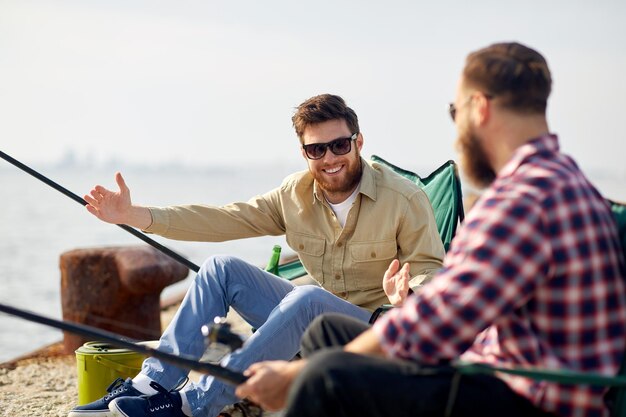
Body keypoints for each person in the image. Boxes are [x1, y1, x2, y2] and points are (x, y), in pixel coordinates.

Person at [236, 43, 626, 417]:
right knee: (327, 333)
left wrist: (297, 373)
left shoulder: (523, 198)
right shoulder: (564, 181)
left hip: (524, 397)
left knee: (325, 376)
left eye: (455, 111)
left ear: (480, 108)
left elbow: (439, 321)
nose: (457, 133)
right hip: (514, 374)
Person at [68, 93, 446, 417]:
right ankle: (152, 385)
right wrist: (136, 216)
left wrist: (408, 294)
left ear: (358, 142)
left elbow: (432, 268)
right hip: (309, 333)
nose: (330, 157)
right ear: (304, 153)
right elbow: (223, 219)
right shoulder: (292, 195)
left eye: (339, 145)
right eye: (316, 149)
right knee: (221, 269)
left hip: (375, 336)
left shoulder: (404, 199)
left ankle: (194, 405)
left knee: (308, 298)